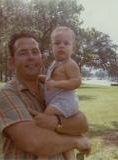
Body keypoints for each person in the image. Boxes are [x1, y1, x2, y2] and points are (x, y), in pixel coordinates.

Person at [0, 30, 91, 160]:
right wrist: (76, 140)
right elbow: (33, 142)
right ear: (12, 62)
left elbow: (82, 124)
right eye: (23, 53)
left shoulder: (51, 87)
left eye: (35, 52)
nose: (31, 57)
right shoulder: (6, 94)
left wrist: (54, 122)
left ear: (41, 58)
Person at [38, 26, 82, 160]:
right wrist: (37, 78)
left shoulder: (70, 64)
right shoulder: (54, 63)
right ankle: (70, 156)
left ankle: (43, 155)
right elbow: (49, 80)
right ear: (51, 48)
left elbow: (76, 81)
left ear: (73, 49)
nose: (61, 46)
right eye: (57, 43)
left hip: (65, 102)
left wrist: (57, 84)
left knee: (45, 119)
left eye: (66, 43)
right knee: (65, 135)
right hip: (59, 102)